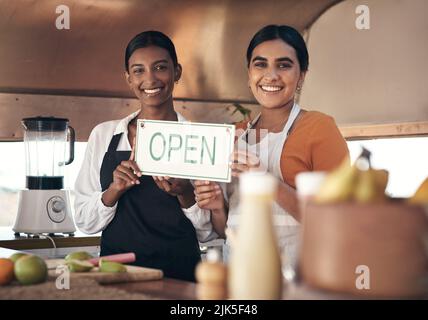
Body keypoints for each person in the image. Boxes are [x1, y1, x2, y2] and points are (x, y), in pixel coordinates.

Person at [194, 25, 349, 267]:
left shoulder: (320, 127)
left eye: (284, 65)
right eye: (260, 64)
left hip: (298, 277)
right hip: (239, 274)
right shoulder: (235, 135)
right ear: (249, 74)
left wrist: (264, 179)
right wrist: (216, 208)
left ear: (302, 75)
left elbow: (333, 221)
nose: (271, 75)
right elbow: (226, 229)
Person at [74, 31, 215, 281]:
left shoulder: (197, 139)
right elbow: (85, 220)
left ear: (177, 72)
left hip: (180, 277)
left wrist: (185, 194)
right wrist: (113, 191)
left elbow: (210, 233)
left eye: (160, 67)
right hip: (116, 275)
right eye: (138, 70)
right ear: (128, 78)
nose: (150, 79)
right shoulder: (104, 135)